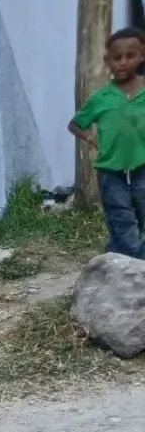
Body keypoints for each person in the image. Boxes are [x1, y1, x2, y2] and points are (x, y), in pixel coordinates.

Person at [70, 28, 145, 259]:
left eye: (130, 56)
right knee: (121, 217)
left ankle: (121, 255)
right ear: (107, 61)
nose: (123, 62)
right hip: (111, 171)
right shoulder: (101, 98)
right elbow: (75, 124)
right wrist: (91, 138)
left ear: (142, 55)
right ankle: (129, 262)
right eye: (117, 57)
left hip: (143, 167)